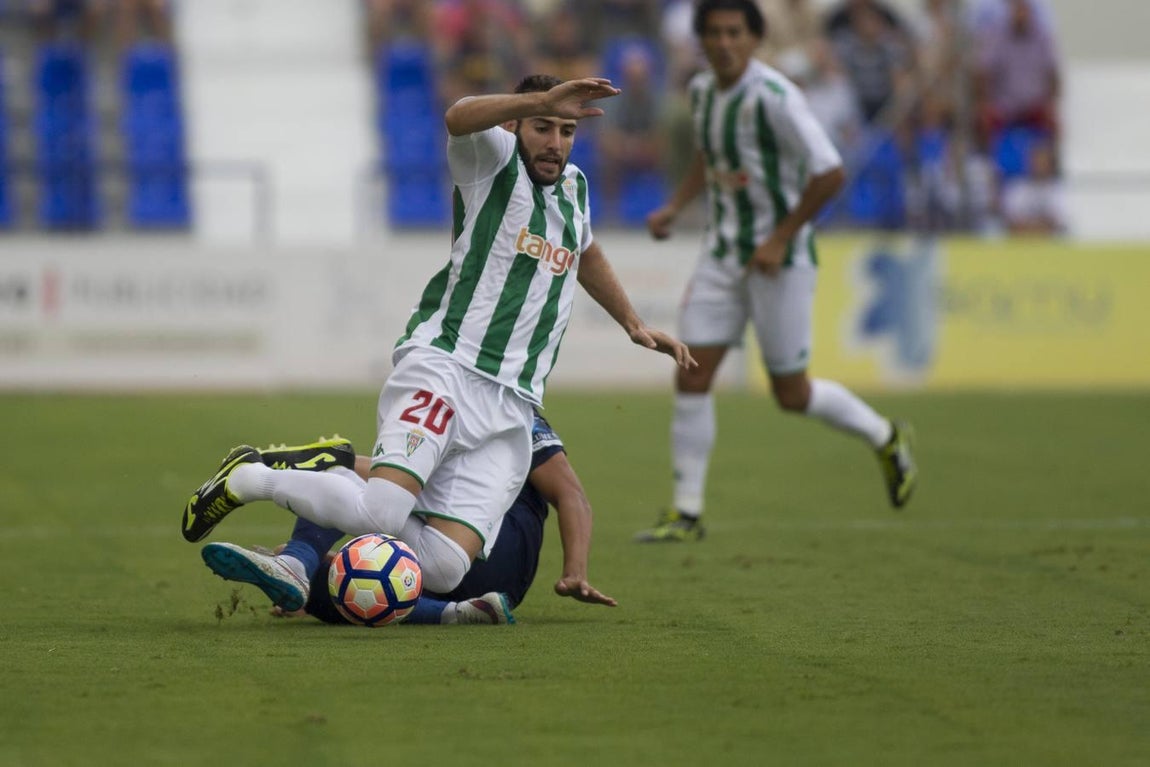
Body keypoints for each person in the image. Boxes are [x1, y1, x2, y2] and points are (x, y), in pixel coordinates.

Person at [182, 74, 695, 594]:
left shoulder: (575, 188)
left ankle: (331, 489)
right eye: (543, 127)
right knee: (381, 509)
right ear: (516, 124)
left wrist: (632, 322)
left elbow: (586, 253)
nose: (555, 143)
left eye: (566, 131)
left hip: (512, 407)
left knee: (447, 567)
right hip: (447, 366)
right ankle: (250, 478)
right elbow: (457, 115)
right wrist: (538, 99)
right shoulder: (491, 159)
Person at [632, 0, 917, 543]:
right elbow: (709, 156)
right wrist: (675, 205)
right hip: (722, 254)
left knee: (791, 394)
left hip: (779, 260)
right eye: (713, 32)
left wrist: (780, 236)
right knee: (691, 371)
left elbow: (830, 172)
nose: (723, 42)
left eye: (734, 32)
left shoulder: (776, 96)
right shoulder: (700, 91)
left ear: (754, 37)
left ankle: (885, 435)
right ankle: (686, 512)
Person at [201, 411, 614, 625]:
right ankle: (459, 613)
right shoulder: (471, 400)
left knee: (340, 479)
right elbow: (574, 494)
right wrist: (574, 573)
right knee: (355, 582)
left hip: (494, 549)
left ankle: (296, 564)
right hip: (488, 582)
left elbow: (569, 492)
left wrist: (326, 463)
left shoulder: (508, 412)